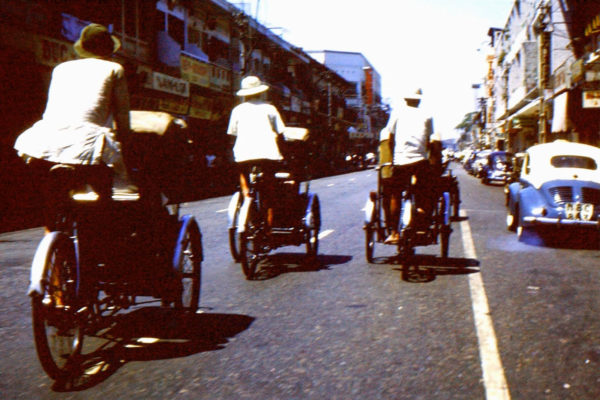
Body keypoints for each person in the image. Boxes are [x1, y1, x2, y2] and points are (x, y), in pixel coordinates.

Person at [14, 22, 134, 203]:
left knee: (53, 198)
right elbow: (122, 114)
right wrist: (126, 143)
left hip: (46, 139)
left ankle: (50, 230)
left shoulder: (61, 68)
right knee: (104, 194)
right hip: (87, 142)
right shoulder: (114, 69)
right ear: (109, 49)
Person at [379, 88, 440, 244]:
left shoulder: (397, 113)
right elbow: (428, 141)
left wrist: (393, 157)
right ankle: (421, 219)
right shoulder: (427, 116)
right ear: (418, 100)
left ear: (406, 100)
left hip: (400, 162)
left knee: (395, 196)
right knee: (424, 194)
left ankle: (394, 233)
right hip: (420, 162)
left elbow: (390, 137)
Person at [227, 75, 286, 231]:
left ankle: (246, 194)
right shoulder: (269, 108)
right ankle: (268, 227)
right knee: (269, 191)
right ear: (260, 93)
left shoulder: (237, 110)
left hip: (243, 153)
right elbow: (281, 132)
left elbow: (232, 134)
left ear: (245, 94)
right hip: (268, 153)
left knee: (242, 170)